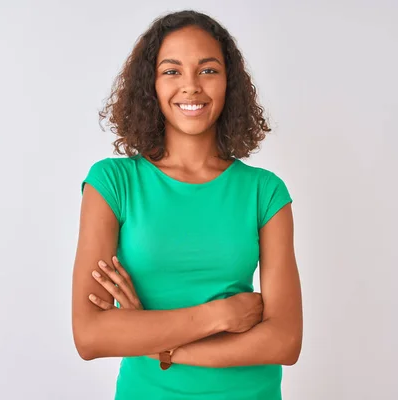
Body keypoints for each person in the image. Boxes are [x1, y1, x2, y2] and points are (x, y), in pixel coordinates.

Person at [71, 10, 303, 400]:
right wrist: (219, 316)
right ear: (151, 85)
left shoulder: (265, 192)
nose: (191, 87)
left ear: (230, 83)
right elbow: (90, 335)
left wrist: (153, 340)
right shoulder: (113, 183)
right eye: (172, 71)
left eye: (208, 70)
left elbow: (284, 341)